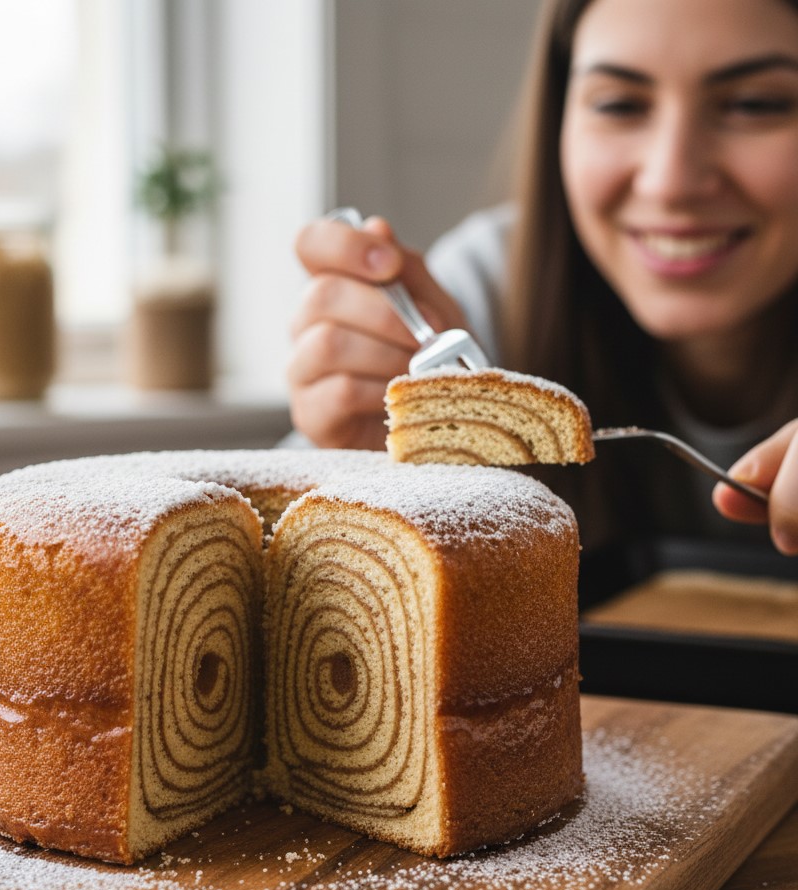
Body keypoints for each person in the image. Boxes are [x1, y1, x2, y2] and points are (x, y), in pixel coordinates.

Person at [288, 0, 798, 556]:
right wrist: (373, 475)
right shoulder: (486, 288)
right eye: (620, 104)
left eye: (755, 104)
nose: (670, 181)